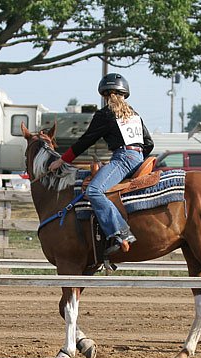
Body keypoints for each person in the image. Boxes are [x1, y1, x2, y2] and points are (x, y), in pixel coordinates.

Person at [48, 73, 153, 254]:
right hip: (139, 158)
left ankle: (121, 233)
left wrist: (61, 160)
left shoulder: (105, 114)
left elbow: (85, 141)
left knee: (94, 191)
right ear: (124, 94)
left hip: (123, 158)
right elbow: (149, 143)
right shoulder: (135, 115)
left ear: (105, 96)